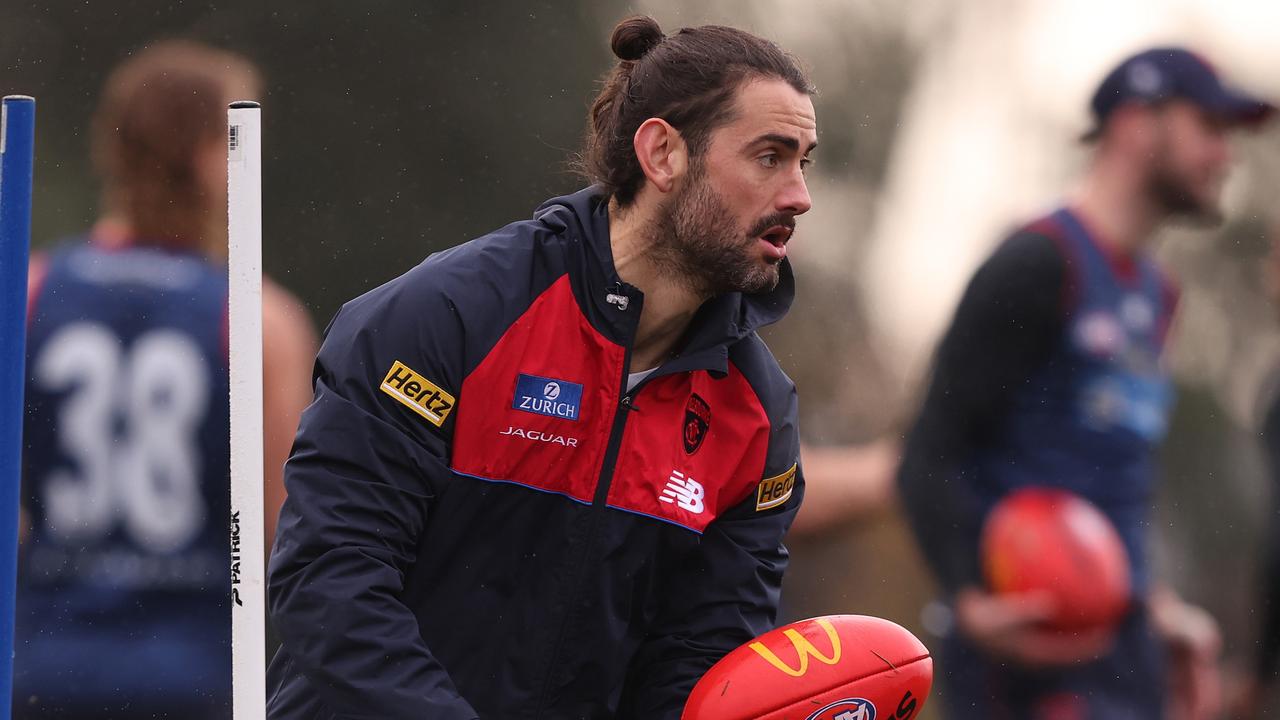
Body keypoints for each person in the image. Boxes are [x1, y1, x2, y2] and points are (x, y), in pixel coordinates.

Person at [266, 15, 815, 719]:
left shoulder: (760, 416)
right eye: (770, 156)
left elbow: (697, 664)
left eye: (806, 161)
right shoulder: (447, 317)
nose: (799, 194)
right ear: (663, 154)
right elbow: (330, 579)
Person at [897, 47, 1273, 719]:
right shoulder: (1038, 263)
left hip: (1123, 650)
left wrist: (1157, 613)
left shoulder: (1160, 295)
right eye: (1209, 129)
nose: (1226, 157)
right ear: (1135, 125)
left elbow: (1113, 479)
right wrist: (973, 600)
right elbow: (929, 449)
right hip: (1027, 654)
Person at [14, 41, 317, 718]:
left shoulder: (27, 292)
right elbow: (283, 527)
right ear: (216, 156)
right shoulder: (259, 320)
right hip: (193, 672)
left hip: (42, 665)